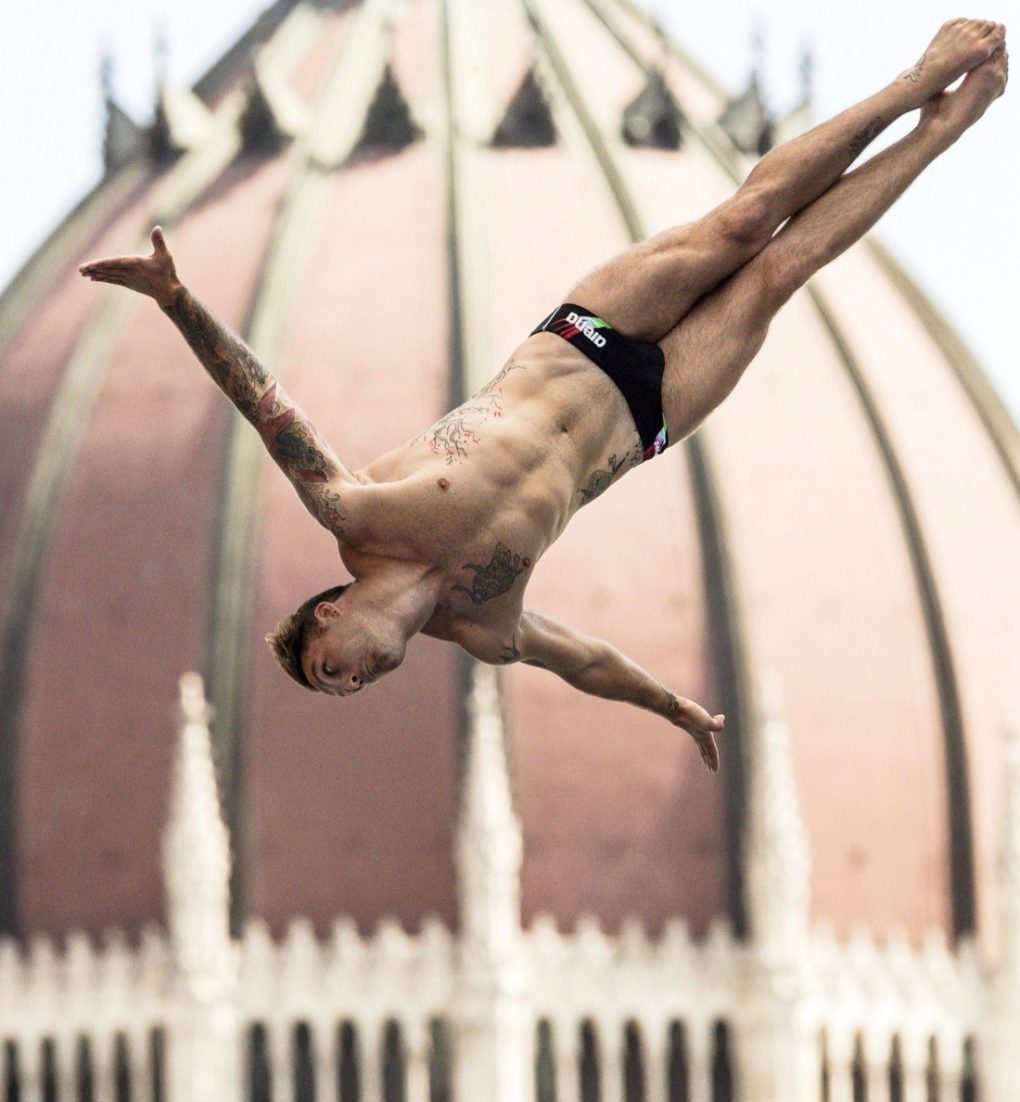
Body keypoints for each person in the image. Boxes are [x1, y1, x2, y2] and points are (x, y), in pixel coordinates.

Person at [80, 20, 1007, 774]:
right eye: (346, 692)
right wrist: (675, 707)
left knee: (741, 226)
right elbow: (585, 662)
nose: (354, 681)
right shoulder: (484, 627)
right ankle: (942, 129)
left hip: (585, 341)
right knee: (778, 277)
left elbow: (265, 404)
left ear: (330, 612)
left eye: (334, 669)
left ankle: (911, 81)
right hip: (644, 423)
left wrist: (178, 301)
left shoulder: (355, 512)